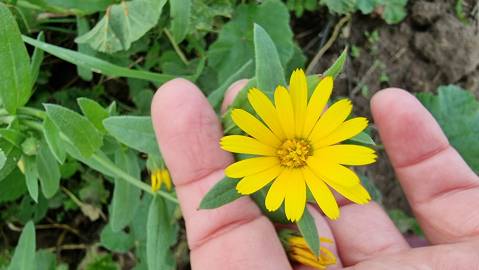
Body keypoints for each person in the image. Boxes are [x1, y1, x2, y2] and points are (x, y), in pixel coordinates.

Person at [151, 78, 479, 269]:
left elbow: (295, 196)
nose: (295, 152)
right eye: (293, 152)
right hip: (267, 156)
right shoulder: (262, 151)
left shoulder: (304, 169)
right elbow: (246, 167)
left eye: (297, 151)